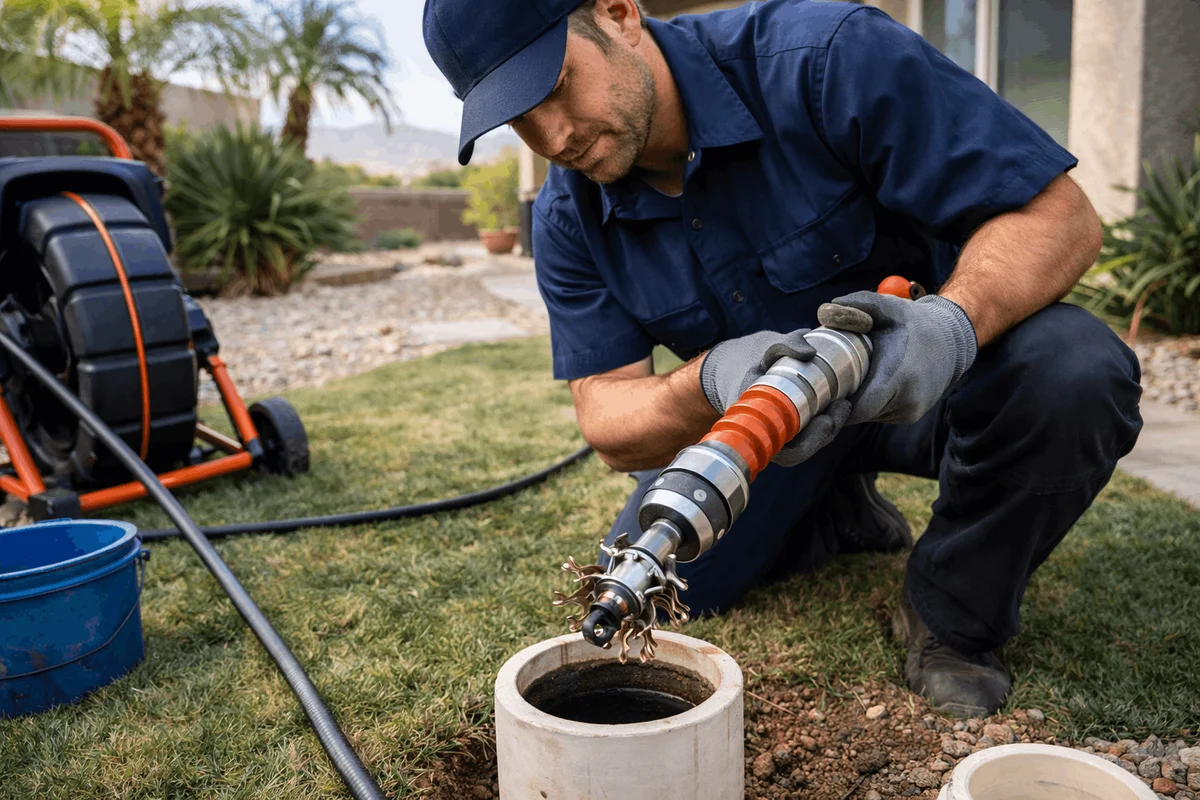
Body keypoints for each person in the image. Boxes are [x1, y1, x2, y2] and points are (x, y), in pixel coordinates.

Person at [423, 0, 1143, 717]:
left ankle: (954, 618)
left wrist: (949, 325)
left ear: (618, 16)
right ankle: (834, 514)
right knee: (678, 580)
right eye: (517, 117)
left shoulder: (831, 59)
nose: (553, 136)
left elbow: (1062, 216)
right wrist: (706, 381)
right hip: (772, 423)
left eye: (553, 88)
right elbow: (607, 414)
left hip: (929, 386)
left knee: (1074, 371)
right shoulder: (565, 216)